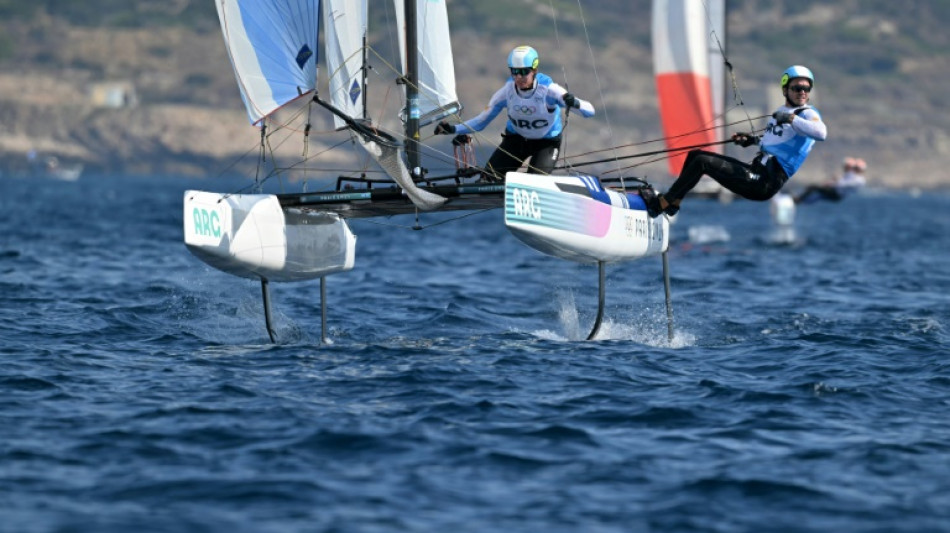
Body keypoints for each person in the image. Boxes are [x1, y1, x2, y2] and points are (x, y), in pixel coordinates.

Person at [642, 65, 828, 217]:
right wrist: (751, 140)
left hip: (765, 182)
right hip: (756, 171)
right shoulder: (782, 111)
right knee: (695, 155)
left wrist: (790, 119)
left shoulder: (808, 114)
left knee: (701, 163)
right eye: (797, 88)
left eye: (806, 88)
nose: (802, 92)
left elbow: (821, 132)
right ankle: (674, 203)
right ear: (786, 89)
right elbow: (775, 142)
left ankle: (661, 204)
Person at [433, 45, 595, 181]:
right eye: (514, 72)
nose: (519, 77)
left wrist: (575, 103)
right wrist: (454, 129)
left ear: (534, 70)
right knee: (487, 181)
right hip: (515, 142)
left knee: (534, 184)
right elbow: (481, 122)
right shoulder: (506, 92)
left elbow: (590, 112)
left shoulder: (550, 91)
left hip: (546, 144)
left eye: (524, 72)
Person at [794, 156, 867, 204]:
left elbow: (841, 184)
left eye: (856, 168)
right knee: (818, 195)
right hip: (836, 193)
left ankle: (798, 200)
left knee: (813, 188)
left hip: (837, 194)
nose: (854, 169)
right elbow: (841, 181)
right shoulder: (853, 175)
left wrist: (833, 182)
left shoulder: (859, 180)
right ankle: (800, 200)